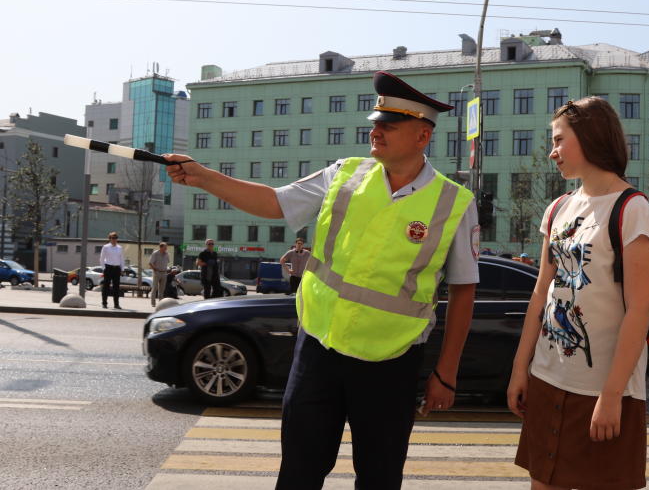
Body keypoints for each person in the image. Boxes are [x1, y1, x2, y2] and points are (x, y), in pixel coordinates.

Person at [164, 70, 478, 490]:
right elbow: (274, 202)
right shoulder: (344, 174)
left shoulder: (454, 202)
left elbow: (464, 290)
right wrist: (204, 177)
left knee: (379, 478)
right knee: (299, 473)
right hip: (318, 350)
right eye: (375, 124)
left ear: (422, 136)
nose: (377, 132)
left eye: (390, 125)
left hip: (391, 362)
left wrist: (447, 372)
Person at [507, 97, 649, 490]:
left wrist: (611, 396)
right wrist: (520, 368)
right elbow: (541, 293)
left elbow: (640, 311)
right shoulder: (558, 207)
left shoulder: (631, 208)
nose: (551, 152)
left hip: (603, 392)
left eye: (559, 140)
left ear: (590, 136)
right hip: (547, 376)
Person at [99, 231, 124, 309]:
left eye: (115, 238)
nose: (114, 239)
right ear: (109, 239)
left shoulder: (120, 248)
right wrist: (104, 268)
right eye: (112, 238)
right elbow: (102, 258)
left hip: (117, 268)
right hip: (108, 268)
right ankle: (104, 303)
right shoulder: (105, 247)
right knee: (106, 286)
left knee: (116, 287)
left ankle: (116, 304)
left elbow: (122, 259)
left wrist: (122, 269)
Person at [148, 242, 170, 306]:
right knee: (155, 288)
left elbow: (167, 262)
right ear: (161, 247)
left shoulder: (167, 254)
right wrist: (155, 269)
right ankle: (153, 303)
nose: (166, 248)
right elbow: (150, 263)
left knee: (162, 289)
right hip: (157, 273)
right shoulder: (155, 253)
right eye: (165, 247)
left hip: (164, 273)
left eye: (166, 247)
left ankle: (161, 303)